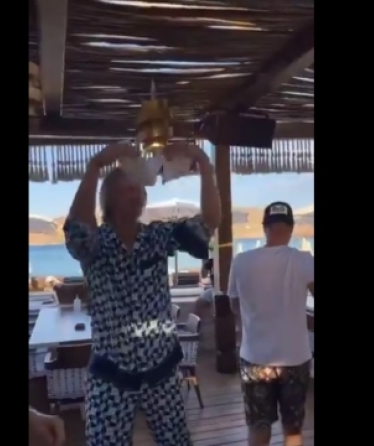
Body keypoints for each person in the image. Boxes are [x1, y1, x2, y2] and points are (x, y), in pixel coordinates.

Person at [63, 142, 220, 446]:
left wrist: (203, 162)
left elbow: (210, 221)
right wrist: (95, 166)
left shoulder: (157, 236)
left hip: (161, 370)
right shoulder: (96, 245)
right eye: (127, 189)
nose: (136, 194)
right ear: (109, 198)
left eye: (139, 189)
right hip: (110, 373)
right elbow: (78, 226)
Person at [227, 201, 314, 446]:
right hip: (295, 359)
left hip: (255, 359)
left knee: (259, 426)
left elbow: (234, 305)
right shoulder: (304, 260)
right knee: (293, 429)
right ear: (291, 228)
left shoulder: (241, 261)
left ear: (265, 227)